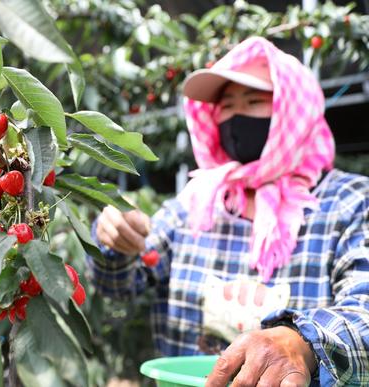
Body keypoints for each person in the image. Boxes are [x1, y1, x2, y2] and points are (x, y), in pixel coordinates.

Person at [90, 37, 369, 386]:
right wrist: (117, 240)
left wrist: (303, 341)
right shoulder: (194, 205)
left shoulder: (350, 202)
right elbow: (118, 284)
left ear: (293, 109)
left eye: (253, 101)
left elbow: (365, 308)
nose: (236, 116)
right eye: (226, 105)